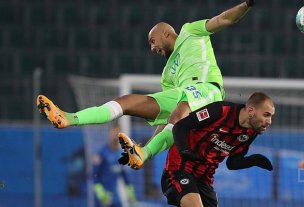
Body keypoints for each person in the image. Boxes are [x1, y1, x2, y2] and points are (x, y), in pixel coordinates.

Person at [36, 0, 256, 169]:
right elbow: (166, 121)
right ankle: (69, 118)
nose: (152, 48)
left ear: (165, 33)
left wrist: (247, 3)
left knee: (181, 109)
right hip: (185, 98)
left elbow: (224, 19)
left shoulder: (191, 31)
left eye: (152, 41)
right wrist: (145, 149)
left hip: (209, 92)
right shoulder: (167, 76)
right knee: (128, 102)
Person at [122, 92, 274, 207]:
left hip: (205, 180)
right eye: (266, 115)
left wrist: (253, 160)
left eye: (271, 117)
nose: (269, 121)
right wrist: (185, 151)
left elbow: (232, 162)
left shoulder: (251, 133)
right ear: (251, 111)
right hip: (179, 169)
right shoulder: (221, 111)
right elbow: (181, 126)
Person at [93, 124, 137, 207]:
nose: (115, 136)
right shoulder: (101, 153)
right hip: (102, 198)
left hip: (115, 197)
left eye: (118, 133)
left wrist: (130, 190)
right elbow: (94, 174)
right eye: (113, 132)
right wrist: (100, 191)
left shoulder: (121, 155)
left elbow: (124, 174)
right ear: (109, 134)